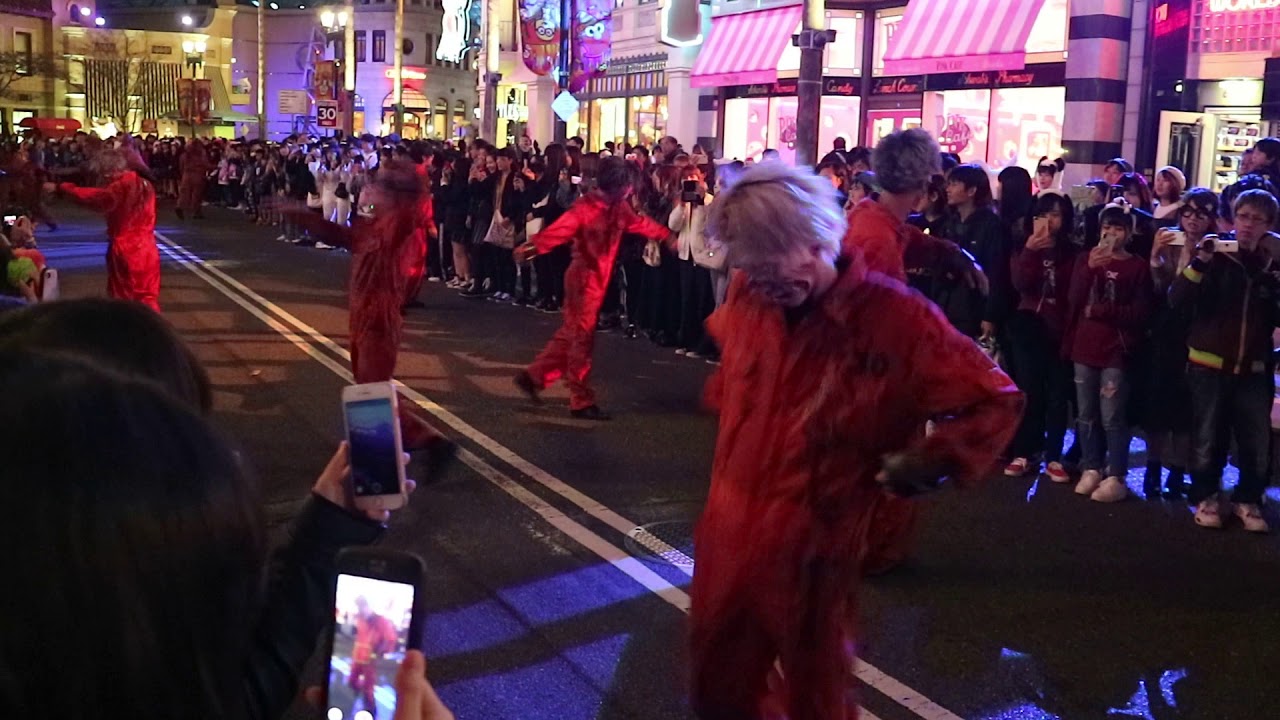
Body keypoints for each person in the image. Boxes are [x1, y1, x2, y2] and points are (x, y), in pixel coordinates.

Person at [689, 162, 1023, 720]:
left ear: (819, 237)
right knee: (716, 693)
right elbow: (733, 368)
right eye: (751, 264)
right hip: (727, 536)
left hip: (815, 549)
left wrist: (936, 458)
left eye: (775, 261)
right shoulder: (751, 295)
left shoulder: (897, 321)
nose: (763, 278)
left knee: (815, 698)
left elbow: (995, 397)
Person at [281, 159, 456, 461]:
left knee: (372, 389)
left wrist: (404, 181)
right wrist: (302, 216)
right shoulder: (373, 224)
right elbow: (343, 237)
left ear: (392, 194)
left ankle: (407, 445)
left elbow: (415, 202)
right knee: (368, 384)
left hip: (379, 315)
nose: (368, 190)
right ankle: (408, 439)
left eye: (377, 186)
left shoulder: (398, 223)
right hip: (362, 311)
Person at [512, 156, 673, 420]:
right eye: (628, 186)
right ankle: (580, 399)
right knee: (581, 340)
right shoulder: (585, 209)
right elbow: (558, 232)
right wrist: (530, 248)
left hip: (597, 280)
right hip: (582, 280)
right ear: (619, 186)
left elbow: (639, 224)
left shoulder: (618, 207)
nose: (631, 191)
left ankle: (534, 377)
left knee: (572, 334)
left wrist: (666, 235)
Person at [1170, 189, 1280, 532]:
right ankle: (1206, 495)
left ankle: (1248, 499)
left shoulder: (1271, 263)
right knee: (1207, 437)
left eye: (1257, 219)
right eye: (1243, 216)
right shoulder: (1217, 255)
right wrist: (1200, 259)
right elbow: (1178, 299)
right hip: (1209, 363)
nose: (1248, 225)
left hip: (1254, 367)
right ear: (1233, 218)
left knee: (1256, 440)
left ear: (1269, 226)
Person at [1063, 203, 1153, 502]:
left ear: (1129, 233)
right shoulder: (1084, 259)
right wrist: (1088, 269)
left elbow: (1141, 312)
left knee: (1112, 414)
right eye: (1107, 227)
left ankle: (1116, 473)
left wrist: (1102, 310)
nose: (1111, 234)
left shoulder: (1136, 266)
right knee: (1085, 413)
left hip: (1117, 348)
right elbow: (1073, 300)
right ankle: (1091, 466)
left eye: (1118, 228)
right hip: (1084, 346)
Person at [48, 148, 160, 311]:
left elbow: (95, 199)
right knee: (147, 296)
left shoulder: (120, 187)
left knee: (122, 300)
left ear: (107, 171)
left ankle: (127, 334)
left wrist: (62, 188)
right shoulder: (145, 184)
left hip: (126, 249)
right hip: (148, 248)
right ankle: (151, 331)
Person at [349, 595, 399, 720]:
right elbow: (360, 635)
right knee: (352, 681)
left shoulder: (380, 620)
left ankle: (372, 711)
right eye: (359, 606)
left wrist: (381, 650)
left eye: (363, 606)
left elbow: (391, 639)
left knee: (368, 688)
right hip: (358, 657)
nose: (361, 609)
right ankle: (358, 696)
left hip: (370, 659)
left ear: (368, 606)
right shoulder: (360, 618)